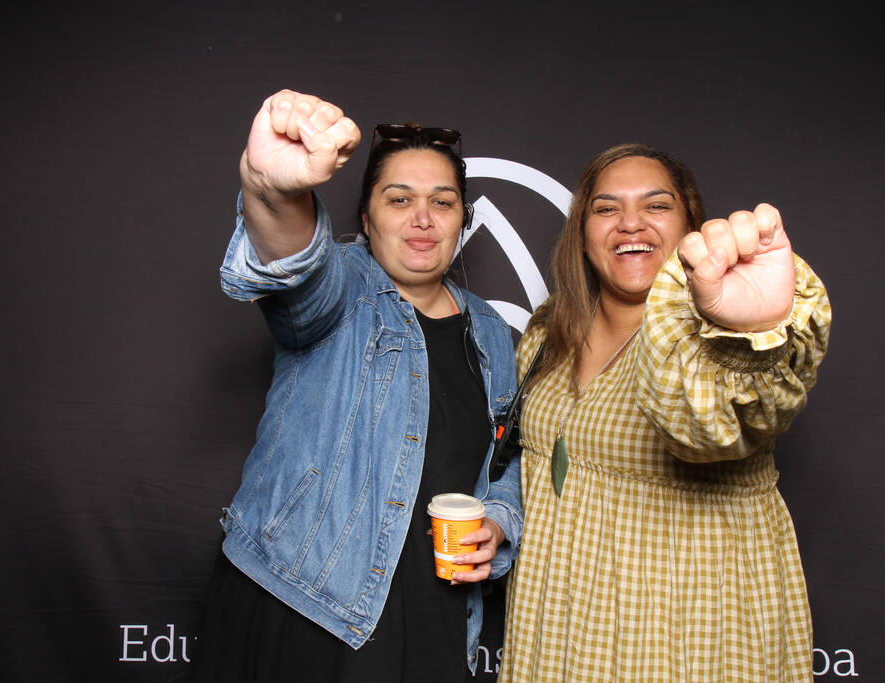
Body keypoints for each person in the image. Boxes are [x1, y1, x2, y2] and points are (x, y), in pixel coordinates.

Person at [190, 90, 522, 682]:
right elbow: (296, 263)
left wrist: (498, 520)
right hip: (303, 602)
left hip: (436, 613)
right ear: (367, 220)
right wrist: (270, 190)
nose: (423, 218)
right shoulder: (344, 287)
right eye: (400, 199)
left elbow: (506, 462)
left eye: (442, 202)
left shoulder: (493, 331)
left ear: (461, 221)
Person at [497, 144, 831, 681]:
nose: (631, 223)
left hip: (682, 622)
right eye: (606, 208)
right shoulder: (549, 332)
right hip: (558, 616)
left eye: (656, 205)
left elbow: (719, 425)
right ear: (581, 233)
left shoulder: (708, 342)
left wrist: (749, 332)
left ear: (691, 228)